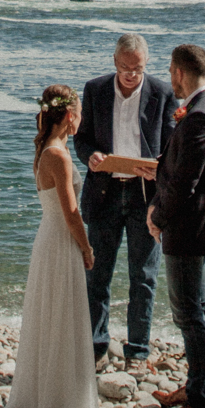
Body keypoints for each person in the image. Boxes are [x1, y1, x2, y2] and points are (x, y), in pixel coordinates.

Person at [147, 43, 205, 408]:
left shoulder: (200, 117)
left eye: (170, 71)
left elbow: (185, 183)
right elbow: (179, 170)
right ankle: (199, 387)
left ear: (180, 72)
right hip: (196, 227)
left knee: (190, 315)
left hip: (188, 229)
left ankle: (200, 405)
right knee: (201, 311)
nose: (170, 79)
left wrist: (157, 216)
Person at [77, 33, 173, 366]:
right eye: (125, 67)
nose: (131, 74)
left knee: (143, 276)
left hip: (143, 194)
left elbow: (172, 149)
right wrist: (89, 157)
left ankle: (137, 350)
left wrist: (158, 169)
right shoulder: (95, 89)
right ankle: (96, 347)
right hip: (104, 191)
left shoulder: (162, 93)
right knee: (97, 273)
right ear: (114, 61)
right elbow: (82, 139)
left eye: (138, 67)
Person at [7, 85, 100, 408]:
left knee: (54, 313)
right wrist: (87, 247)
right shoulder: (57, 155)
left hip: (48, 237)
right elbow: (71, 212)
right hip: (60, 239)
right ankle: (60, 400)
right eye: (79, 114)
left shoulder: (46, 149)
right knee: (63, 311)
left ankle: (47, 392)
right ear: (70, 116)